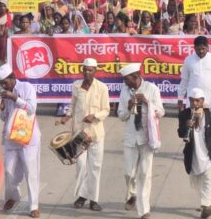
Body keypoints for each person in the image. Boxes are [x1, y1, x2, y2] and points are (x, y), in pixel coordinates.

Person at [56, 58, 110, 212]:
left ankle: (93, 199)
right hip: (78, 134)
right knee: (80, 166)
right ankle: (82, 195)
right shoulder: (76, 86)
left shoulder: (102, 88)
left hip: (95, 134)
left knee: (95, 167)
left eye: (90, 70)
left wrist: (95, 116)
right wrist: (67, 116)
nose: (87, 72)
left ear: (95, 71)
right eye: (84, 69)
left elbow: (106, 110)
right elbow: (72, 105)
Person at [118, 63, 165, 219]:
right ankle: (131, 193)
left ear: (136, 76)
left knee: (145, 174)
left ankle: (144, 210)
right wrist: (128, 106)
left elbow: (161, 112)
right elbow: (121, 116)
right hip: (130, 137)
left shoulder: (151, 89)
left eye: (127, 79)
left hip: (147, 136)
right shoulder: (124, 92)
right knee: (128, 173)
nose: (125, 82)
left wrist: (147, 102)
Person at [0, 63, 41, 218]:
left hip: (28, 137)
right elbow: (4, 117)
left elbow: (31, 109)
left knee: (31, 171)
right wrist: (2, 107)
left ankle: (33, 205)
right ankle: (13, 196)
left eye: (5, 82)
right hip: (11, 138)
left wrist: (15, 98)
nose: (3, 86)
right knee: (9, 170)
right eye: (1, 83)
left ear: (13, 77)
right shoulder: (4, 93)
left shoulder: (26, 87)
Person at [178, 88, 211, 219]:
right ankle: (206, 202)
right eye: (192, 100)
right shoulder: (184, 114)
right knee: (196, 183)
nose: (195, 103)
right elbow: (180, 133)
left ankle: (206, 207)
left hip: (208, 155)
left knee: (208, 181)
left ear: (202, 101)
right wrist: (185, 126)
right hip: (193, 155)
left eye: (197, 100)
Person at [178, 36, 211, 112]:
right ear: (194, 48)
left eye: (203, 49)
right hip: (193, 99)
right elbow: (184, 80)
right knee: (193, 122)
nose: (201, 51)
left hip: (210, 98)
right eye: (198, 49)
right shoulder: (188, 60)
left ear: (207, 47)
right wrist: (180, 97)